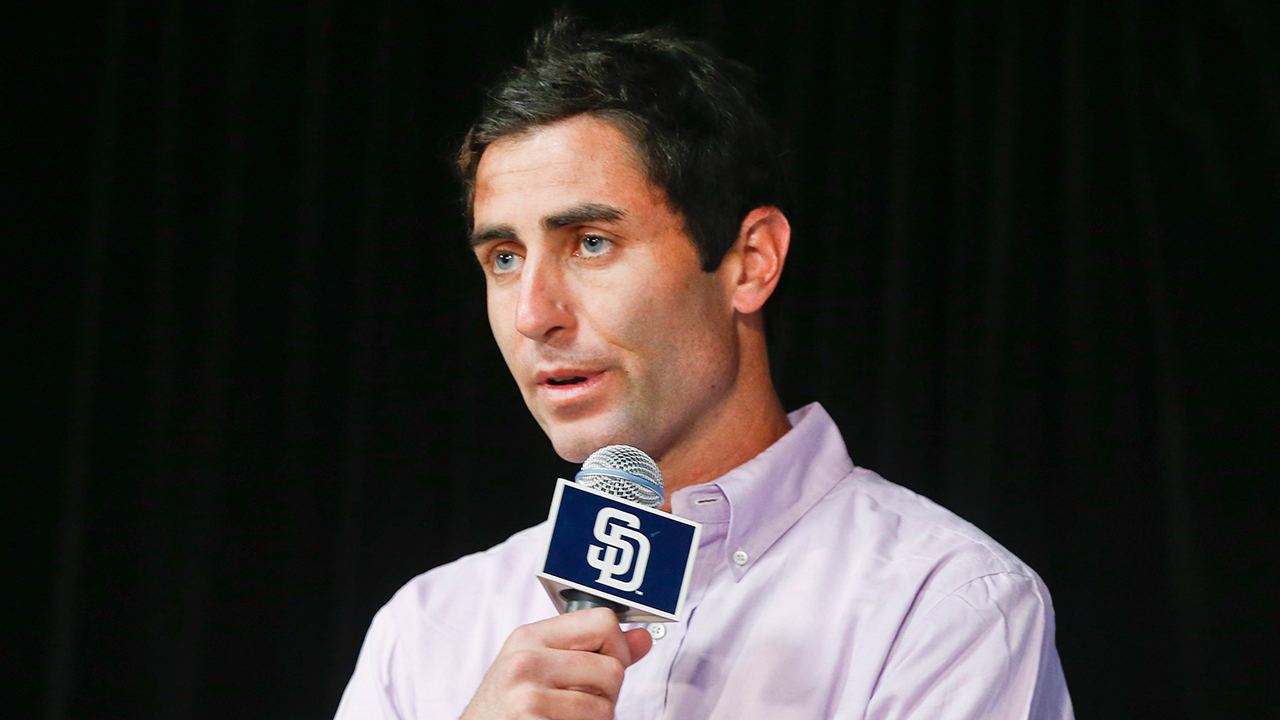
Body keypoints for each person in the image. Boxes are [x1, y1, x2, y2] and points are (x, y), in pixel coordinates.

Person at [336, 18, 1073, 720]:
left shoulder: (944, 603)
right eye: (504, 258)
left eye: (591, 242)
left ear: (750, 263)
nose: (534, 314)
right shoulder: (427, 629)